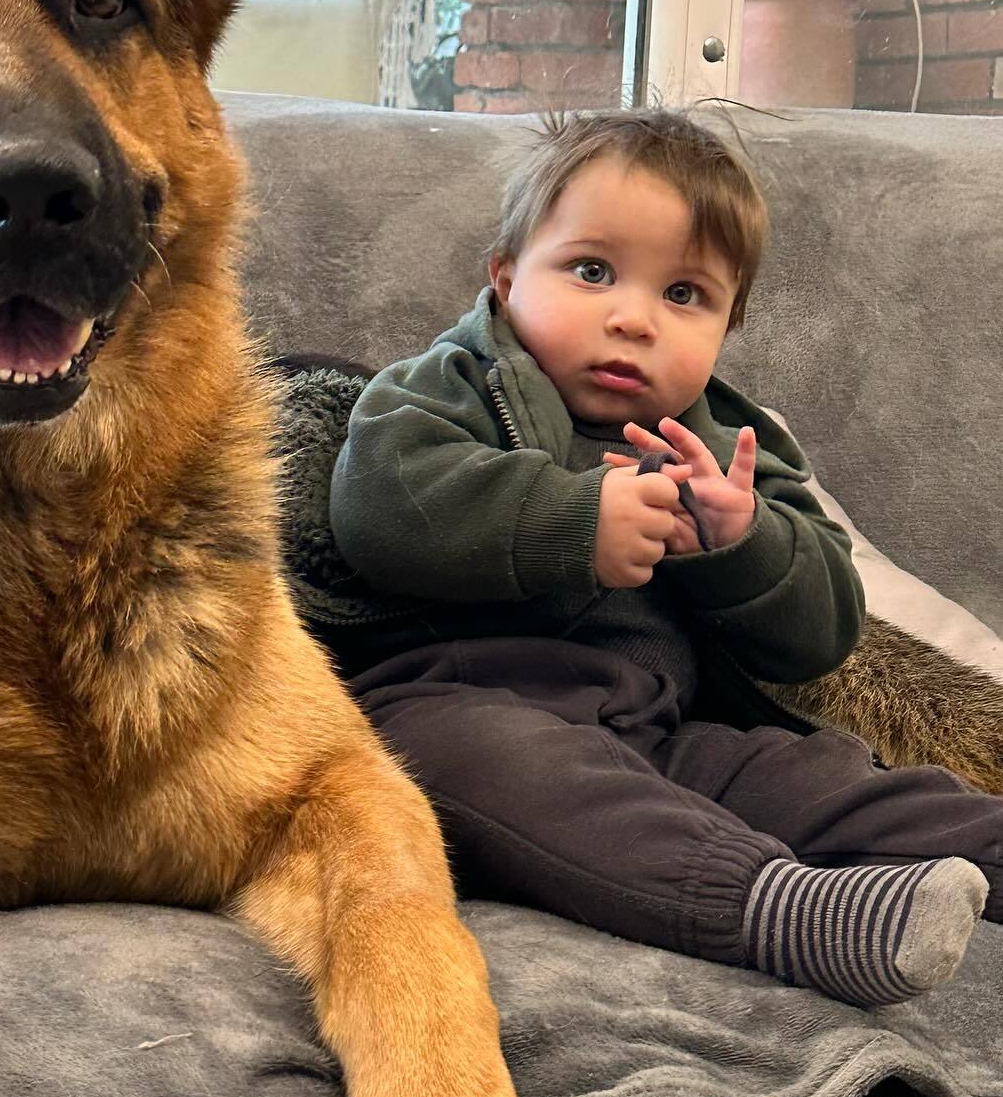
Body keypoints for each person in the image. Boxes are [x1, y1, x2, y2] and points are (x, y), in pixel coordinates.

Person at [328, 107, 998, 1007]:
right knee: (491, 764)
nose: (633, 319)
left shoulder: (735, 445)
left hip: (663, 735)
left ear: (728, 325)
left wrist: (743, 542)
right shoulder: (447, 386)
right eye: (592, 272)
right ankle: (780, 909)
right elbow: (377, 504)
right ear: (505, 276)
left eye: (684, 295)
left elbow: (824, 632)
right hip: (458, 706)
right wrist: (571, 520)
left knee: (823, 774)